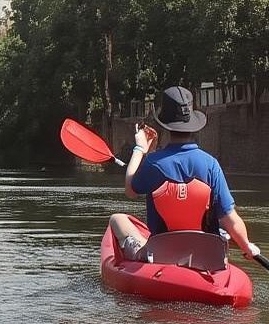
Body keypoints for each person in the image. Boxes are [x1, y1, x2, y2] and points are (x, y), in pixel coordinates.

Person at [109, 86, 259, 263]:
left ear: (165, 124)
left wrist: (140, 148)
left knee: (117, 219)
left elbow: (130, 189)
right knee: (225, 231)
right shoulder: (211, 164)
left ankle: (138, 251)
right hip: (206, 255)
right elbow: (229, 219)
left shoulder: (153, 163)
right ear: (192, 125)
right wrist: (247, 246)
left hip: (162, 255)